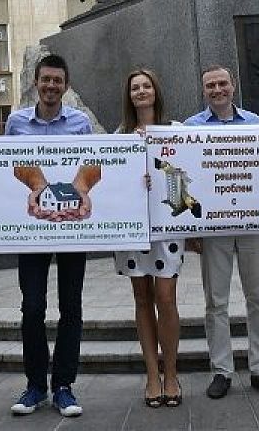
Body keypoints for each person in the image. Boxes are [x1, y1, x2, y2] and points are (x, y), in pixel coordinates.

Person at [185, 65, 259, 400]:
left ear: (233, 85)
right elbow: (186, 178)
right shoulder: (191, 128)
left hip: (253, 225)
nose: (217, 90)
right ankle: (222, 371)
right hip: (214, 230)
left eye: (222, 83)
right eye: (210, 85)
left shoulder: (255, 123)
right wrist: (189, 229)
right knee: (216, 302)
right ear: (204, 91)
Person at [5, 54, 93, 418]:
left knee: (71, 308)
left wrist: (82, 188)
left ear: (66, 85)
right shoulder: (15, 122)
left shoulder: (80, 122)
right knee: (33, 307)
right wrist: (36, 186)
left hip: (73, 226)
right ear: (36, 83)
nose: (51, 86)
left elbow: (92, 164)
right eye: (46, 80)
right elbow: (7, 167)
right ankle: (35, 386)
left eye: (58, 80)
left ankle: (64, 387)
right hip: (31, 228)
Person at [113, 69, 184, 408]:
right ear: (129, 96)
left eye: (146, 86)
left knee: (166, 297)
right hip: (132, 229)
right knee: (142, 299)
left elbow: (187, 180)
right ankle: (152, 375)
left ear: (156, 91)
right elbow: (111, 185)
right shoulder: (118, 136)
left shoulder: (177, 132)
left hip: (167, 226)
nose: (141, 92)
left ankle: (171, 373)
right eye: (135, 88)